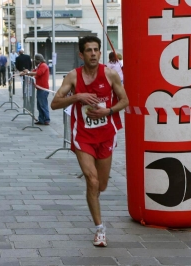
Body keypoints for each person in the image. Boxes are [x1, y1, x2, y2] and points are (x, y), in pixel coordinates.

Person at [50, 36, 129, 247]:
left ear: (100, 53)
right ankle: (100, 229)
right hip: (82, 136)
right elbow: (55, 103)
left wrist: (108, 110)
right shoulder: (73, 77)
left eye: (96, 50)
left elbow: (125, 100)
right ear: (81, 54)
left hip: (105, 136)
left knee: (101, 185)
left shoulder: (110, 74)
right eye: (88, 50)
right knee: (92, 181)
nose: (93, 53)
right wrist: (77, 97)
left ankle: (93, 193)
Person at [20, 53, 51, 125]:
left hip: (43, 88)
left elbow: (38, 73)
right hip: (40, 88)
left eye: (35, 60)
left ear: (38, 60)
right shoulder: (39, 66)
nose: (34, 61)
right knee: (39, 105)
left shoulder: (43, 65)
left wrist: (28, 72)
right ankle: (41, 119)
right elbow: (34, 71)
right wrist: (27, 72)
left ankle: (46, 119)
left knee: (43, 104)